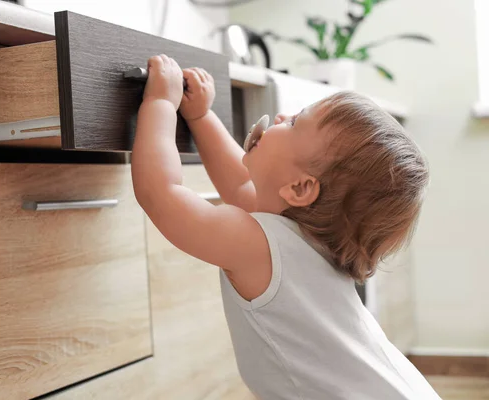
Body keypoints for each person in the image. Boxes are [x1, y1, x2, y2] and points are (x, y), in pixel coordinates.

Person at [131, 54, 440, 400]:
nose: (279, 117)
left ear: (300, 188)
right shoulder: (301, 237)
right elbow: (240, 189)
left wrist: (159, 101)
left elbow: (160, 194)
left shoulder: (261, 247)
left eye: (294, 123)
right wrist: (201, 116)